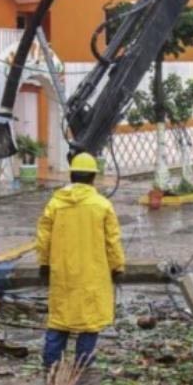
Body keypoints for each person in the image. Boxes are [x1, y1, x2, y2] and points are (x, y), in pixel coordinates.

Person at [36, 153, 125, 369]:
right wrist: (117, 266)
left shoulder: (55, 204)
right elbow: (112, 241)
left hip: (62, 273)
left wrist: (44, 265)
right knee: (89, 321)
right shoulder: (102, 206)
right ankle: (83, 365)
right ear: (93, 177)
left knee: (60, 318)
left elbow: (43, 238)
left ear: (72, 175)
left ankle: (51, 364)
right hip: (92, 275)